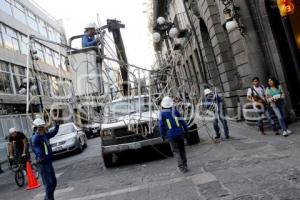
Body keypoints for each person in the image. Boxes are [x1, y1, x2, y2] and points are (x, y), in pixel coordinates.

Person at [159, 96, 189, 173]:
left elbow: (161, 126)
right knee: (182, 150)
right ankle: (185, 165)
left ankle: (182, 168)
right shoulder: (175, 111)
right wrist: (186, 131)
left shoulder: (162, 114)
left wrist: (162, 136)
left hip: (171, 136)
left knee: (176, 151)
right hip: (180, 134)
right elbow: (183, 122)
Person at [32, 118, 59, 200]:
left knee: (53, 183)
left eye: (43, 126)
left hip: (49, 162)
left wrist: (57, 125)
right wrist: (39, 157)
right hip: (43, 164)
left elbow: (54, 133)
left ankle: (48, 198)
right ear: (37, 128)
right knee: (49, 185)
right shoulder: (35, 138)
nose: (44, 128)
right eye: (42, 127)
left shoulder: (44, 135)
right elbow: (37, 149)